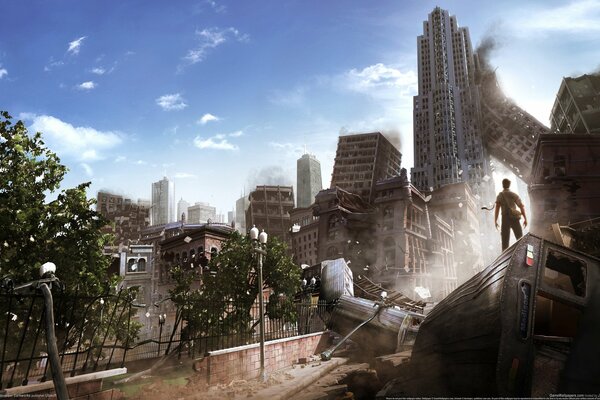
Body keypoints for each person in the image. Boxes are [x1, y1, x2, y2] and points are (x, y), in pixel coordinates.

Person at [494, 178, 528, 251]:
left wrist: (495, 220)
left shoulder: (500, 196)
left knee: (505, 243)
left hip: (505, 218)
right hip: (514, 218)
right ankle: (522, 254)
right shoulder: (513, 195)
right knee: (520, 240)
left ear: (503, 185)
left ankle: (505, 260)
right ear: (509, 185)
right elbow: (521, 206)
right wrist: (525, 219)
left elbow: (497, 209)